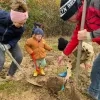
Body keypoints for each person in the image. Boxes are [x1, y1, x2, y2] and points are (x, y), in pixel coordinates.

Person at [59, 0, 100, 99]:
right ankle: (93, 92)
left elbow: (88, 43)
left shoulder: (95, 4)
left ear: (73, 11)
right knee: (96, 70)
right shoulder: (82, 20)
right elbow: (75, 38)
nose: (68, 21)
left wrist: (90, 35)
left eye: (68, 18)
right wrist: (64, 53)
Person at [0, 0, 28, 80]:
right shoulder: (2, 16)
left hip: (9, 42)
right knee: (1, 60)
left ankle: (10, 75)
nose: (22, 25)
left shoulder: (21, 28)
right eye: (20, 23)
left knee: (19, 56)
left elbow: (16, 38)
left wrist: (9, 45)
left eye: (24, 23)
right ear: (13, 19)